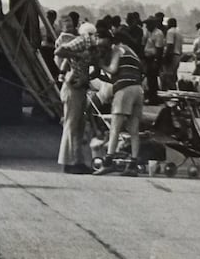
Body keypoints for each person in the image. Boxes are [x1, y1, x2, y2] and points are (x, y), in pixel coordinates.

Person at [55, 22, 99, 174]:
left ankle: (76, 160)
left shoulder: (87, 44)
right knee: (72, 125)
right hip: (73, 88)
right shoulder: (83, 40)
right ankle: (70, 162)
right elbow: (60, 51)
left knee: (78, 126)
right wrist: (78, 55)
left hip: (78, 87)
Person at [99, 27, 144, 173]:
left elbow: (112, 69)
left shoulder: (117, 49)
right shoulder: (132, 52)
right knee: (134, 130)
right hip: (138, 89)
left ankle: (108, 162)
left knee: (115, 128)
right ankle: (133, 164)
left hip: (125, 90)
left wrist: (100, 64)